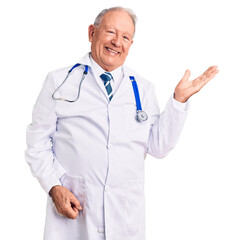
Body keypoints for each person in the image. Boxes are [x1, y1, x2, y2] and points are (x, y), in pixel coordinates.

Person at [25, 6, 219, 240]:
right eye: (110, 32)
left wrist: (179, 101)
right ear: (91, 33)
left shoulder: (142, 88)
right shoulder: (59, 81)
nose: (117, 42)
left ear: (131, 45)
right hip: (75, 214)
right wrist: (54, 186)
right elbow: (37, 144)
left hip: (125, 218)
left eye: (125, 37)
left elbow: (158, 147)